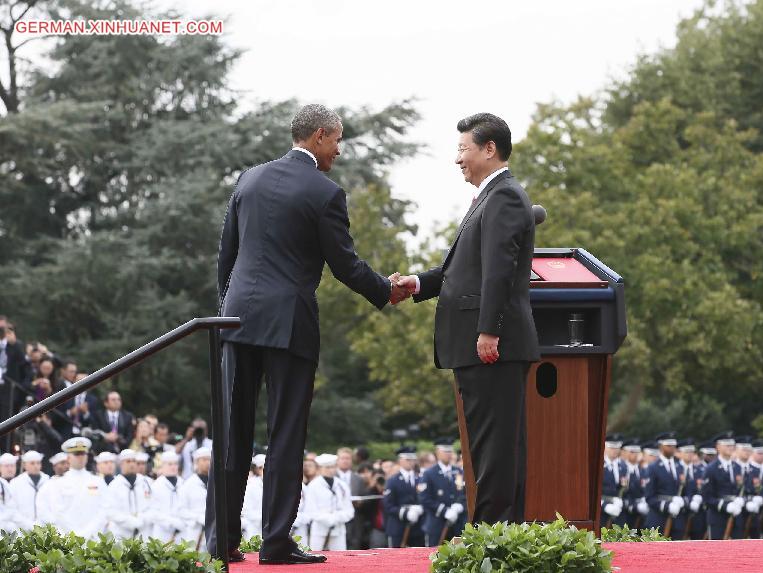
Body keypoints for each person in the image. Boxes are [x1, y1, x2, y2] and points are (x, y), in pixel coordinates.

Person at [208, 103, 408, 566]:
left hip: (235, 322)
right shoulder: (325, 192)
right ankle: (275, 543)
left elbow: (227, 257)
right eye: (337, 139)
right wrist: (386, 290)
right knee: (284, 435)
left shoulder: (249, 179)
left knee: (231, 433)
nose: (340, 149)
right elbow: (344, 265)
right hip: (289, 324)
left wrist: (227, 313)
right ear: (319, 136)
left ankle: (221, 541)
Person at [395, 113, 540, 526]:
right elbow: (459, 272)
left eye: (463, 149)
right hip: (481, 342)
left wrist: (489, 331)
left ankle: (490, 534)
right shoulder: (487, 199)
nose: (457, 159)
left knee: (495, 445)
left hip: (492, 344)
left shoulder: (505, 197)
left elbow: (498, 271)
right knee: (493, 442)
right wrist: (416, 284)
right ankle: (500, 530)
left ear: (489, 149)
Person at [35, 437, 108, 539]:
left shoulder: (98, 481)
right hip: (67, 538)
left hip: (93, 538)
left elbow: (104, 510)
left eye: (83, 454)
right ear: (69, 458)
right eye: (76, 454)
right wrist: (73, 534)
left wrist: (89, 532)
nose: (80, 457)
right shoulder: (58, 483)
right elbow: (58, 512)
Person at [297, 453, 355, 551]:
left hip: (338, 528)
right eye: (327, 467)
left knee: (340, 559)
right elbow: (310, 510)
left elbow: (349, 510)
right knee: (315, 557)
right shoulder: (313, 485)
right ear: (320, 468)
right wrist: (328, 519)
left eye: (333, 467)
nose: (330, 470)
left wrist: (337, 517)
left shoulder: (342, 485)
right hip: (319, 529)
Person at [418, 439, 467, 546]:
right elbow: (424, 498)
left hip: (457, 525)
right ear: (437, 452)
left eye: (450, 451)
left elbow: (465, 493)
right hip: (437, 525)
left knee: (458, 554)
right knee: (435, 556)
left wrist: (460, 505)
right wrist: (444, 510)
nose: (448, 454)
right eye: (445, 451)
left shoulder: (459, 472)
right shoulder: (429, 474)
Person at [644, 432, 688, 539]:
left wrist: (684, 500)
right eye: (668, 446)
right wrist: (666, 506)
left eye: (673, 446)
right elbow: (649, 497)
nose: (672, 448)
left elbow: (685, 490)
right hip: (658, 518)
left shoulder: (680, 466)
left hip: (677, 519)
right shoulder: (653, 468)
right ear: (660, 446)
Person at [106, 449, 153, 539]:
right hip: (121, 533)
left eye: (134, 461)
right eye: (128, 461)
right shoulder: (114, 485)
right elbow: (110, 511)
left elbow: (153, 505)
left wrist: (142, 519)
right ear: (121, 464)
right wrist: (130, 521)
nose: (131, 464)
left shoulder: (146, 482)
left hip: (143, 531)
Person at [383, 446, 424, 548]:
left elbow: (425, 498)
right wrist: (405, 513)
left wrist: (421, 508)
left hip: (417, 528)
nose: (411, 462)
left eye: (413, 459)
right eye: (407, 459)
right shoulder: (392, 481)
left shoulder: (420, 479)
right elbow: (388, 506)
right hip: (398, 527)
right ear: (400, 461)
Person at [9, 450, 50, 530]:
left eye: (38, 463)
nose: (36, 466)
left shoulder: (48, 481)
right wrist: (27, 525)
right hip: (22, 530)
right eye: (32, 463)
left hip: (45, 528)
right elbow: (12, 509)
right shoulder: (15, 483)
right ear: (25, 465)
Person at [335, 447, 367, 549]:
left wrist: (361, 503)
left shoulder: (358, 479)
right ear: (337, 460)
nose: (345, 461)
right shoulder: (332, 478)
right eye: (342, 458)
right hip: (336, 519)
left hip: (355, 520)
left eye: (348, 458)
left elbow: (364, 496)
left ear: (352, 460)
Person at [179, 446, 210, 548]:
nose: (207, 463)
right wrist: (197, 517)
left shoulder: (217, 483)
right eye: (204, 460)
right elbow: (181, 510)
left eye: (209, 459)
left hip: (213, 531)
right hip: (195, 532)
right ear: (196, 462)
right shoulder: (188, 484)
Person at [150, 451, 184, 542]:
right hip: (162, 532)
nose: (173, 467)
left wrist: (181, 521)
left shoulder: (183, 483)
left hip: (182, 531)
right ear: (163, 466)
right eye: (170, 464)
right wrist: (171, 522)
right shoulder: (155, 486)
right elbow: (152, 510)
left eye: (175, 464)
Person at [601, 433, 628, 527]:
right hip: (601, 513)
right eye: (611, 447)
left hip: (618, 511)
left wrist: (621, 501)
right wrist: (604, 505)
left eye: (617, 448)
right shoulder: (598, 465)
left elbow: (624, 487)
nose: (614, 451)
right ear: (605, 447)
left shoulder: (623, 466)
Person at [241, 454, 265, 538]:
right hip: (253, 528)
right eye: (261, 468)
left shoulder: (271, 485)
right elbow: (246, 510)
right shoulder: (250, 485)